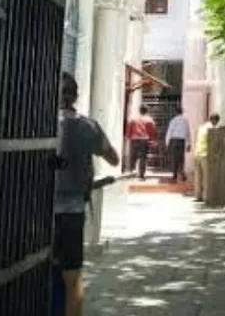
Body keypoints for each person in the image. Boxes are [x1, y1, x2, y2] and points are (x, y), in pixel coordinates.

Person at [54, 72, 119, 316]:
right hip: (72, 212)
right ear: (75, 97)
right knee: (73, 277)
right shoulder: (88, 126)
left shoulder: (41, 125)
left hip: (36, 212)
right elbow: (113, 158)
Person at [193, 113, 220, 202]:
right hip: (205, 155)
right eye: (216, 122)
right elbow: (214, 143)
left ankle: (198, 196)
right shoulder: (211, 129)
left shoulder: (201, 127)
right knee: (207, 177)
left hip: (197, 154)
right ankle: (206, 197)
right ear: (214, 120)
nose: (216, 124)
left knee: (198, 177)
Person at [126, 105, 157, 179]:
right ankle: (141, 174)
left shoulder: (133, 119)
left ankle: (131, 172)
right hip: (144, 140)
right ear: (147, 111)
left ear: (139, 110)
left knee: (133, 156)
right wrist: (152, 140)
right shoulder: (149, 120)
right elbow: (152, 131)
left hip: (134, 139)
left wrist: (128, 137)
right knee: (143, 157)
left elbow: (129, 128)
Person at [165, 107, 191, 182]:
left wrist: (167, 143)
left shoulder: (173, 120)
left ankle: (175, 175)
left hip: (174, 141)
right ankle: (182, 174)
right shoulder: (185, 120)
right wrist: (189, 143)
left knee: (175, 158)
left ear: (176, 112)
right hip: (182, 141)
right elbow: (188, 132)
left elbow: (169, 132)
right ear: (182, 112)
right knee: (181, 158)